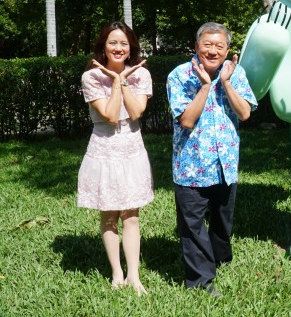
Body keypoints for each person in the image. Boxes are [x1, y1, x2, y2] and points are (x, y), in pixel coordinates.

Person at [167, 22, 257, 294]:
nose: (213, 50)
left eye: (219, 46)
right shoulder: (180, 75)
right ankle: (201, 281)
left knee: (222, 221)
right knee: (193, 227)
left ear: (228, 49)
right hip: (191, 167)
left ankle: (220, 259)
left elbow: (244, 113)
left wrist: (226, 82)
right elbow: (186, 120)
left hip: (225, 164)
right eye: (207, 44)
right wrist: (206, 86)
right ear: (196, 46)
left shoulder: (236, 73)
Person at [77, 21, 154, 296]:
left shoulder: (141, 74)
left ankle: (134, 274)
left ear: (130, 47)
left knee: (131, 214)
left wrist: (123, 81)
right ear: (103, 46)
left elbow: (135, 113)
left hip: (132, 145)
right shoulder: (91, 77)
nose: (118, 48)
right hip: (104, 146)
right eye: (113, 42)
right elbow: (110, 115)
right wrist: (116, 81)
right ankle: (116, 272)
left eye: (123, 43)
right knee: (109, 213)